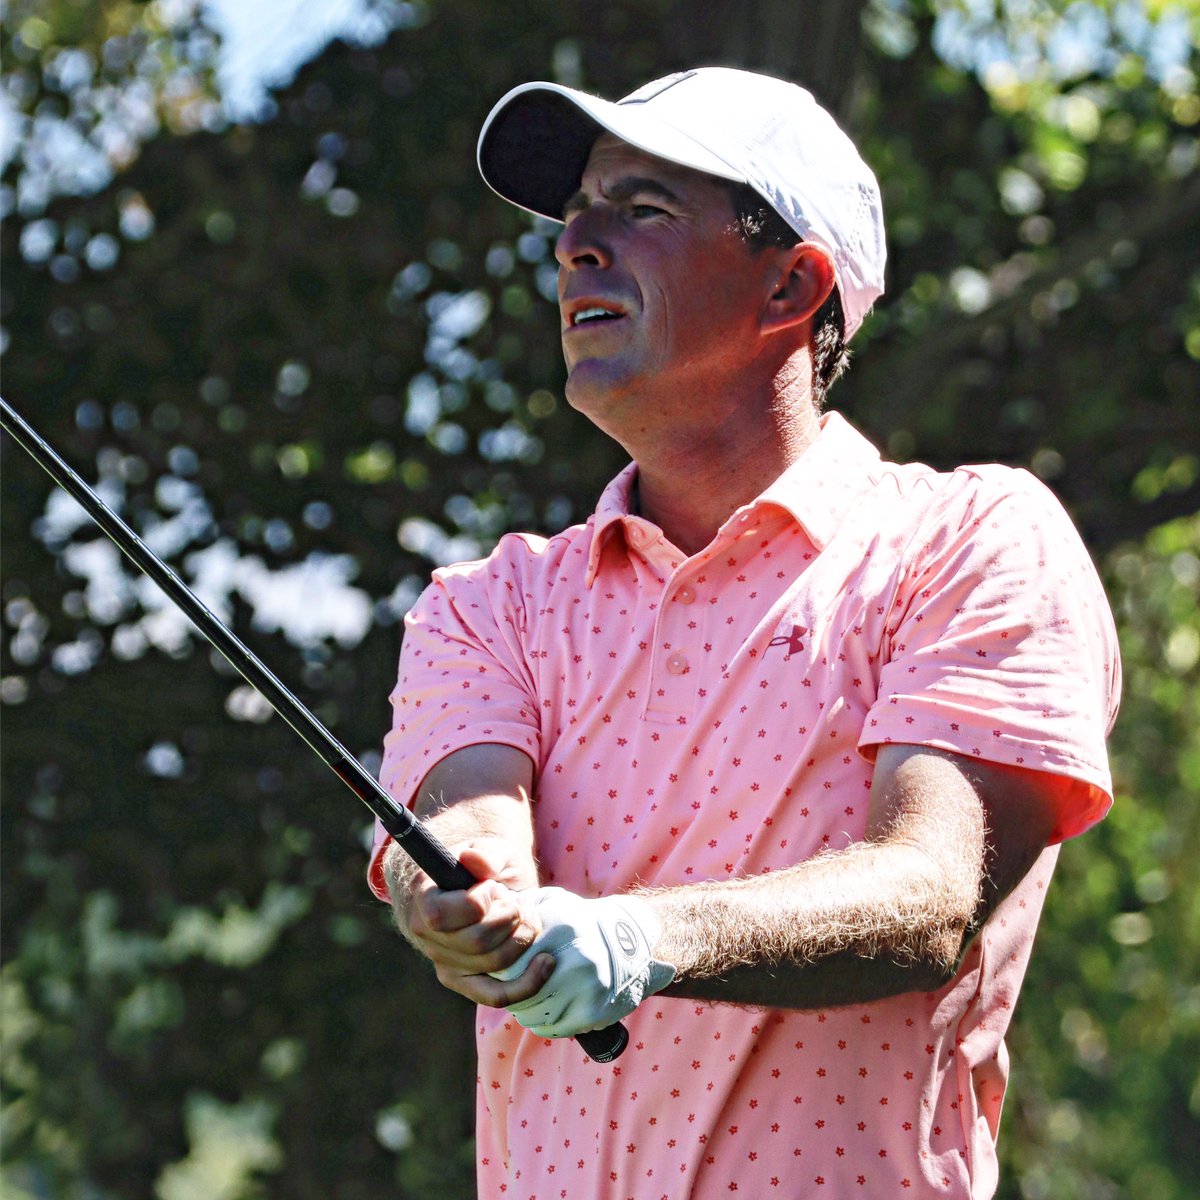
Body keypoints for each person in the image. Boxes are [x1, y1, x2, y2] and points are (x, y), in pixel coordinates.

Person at [367, 67, 1120, 1199]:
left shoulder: (968, 540)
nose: (575, 243)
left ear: (790, 285)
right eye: (575, 213)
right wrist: (467, 898)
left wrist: (638, 942)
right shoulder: (488, 603)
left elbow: (930, 894)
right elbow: (472, 823)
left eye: (643, 207)